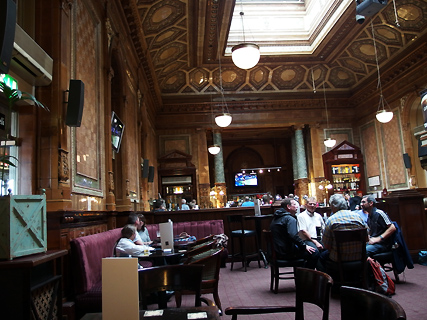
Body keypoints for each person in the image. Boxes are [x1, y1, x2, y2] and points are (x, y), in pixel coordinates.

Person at [317, 194, 368, 273]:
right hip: (359, 257)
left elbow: (326, 245)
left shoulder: (331, 220)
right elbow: (367, 239)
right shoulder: (358, 217)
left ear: (333, 206)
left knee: (320, 258)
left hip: (338, 259)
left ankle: (330, 282)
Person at [270, 198, 319, 269]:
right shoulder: (289, 219)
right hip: (286, 252)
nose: (297, 207)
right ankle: (307, 276)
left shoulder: (276, 217)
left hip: (277, 251)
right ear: (288, 207)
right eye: (294, 205)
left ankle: (303, 274)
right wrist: (304, 246)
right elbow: (293, 235)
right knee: (315, 252)